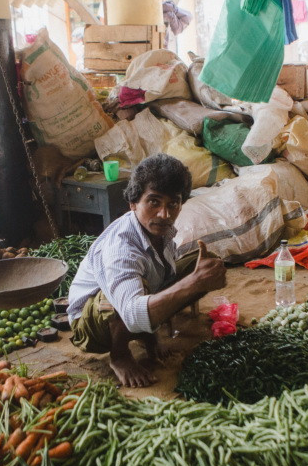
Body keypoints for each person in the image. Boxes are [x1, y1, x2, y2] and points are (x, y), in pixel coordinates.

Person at [67, 154, 227, 387]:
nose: (164, 214)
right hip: (91, 325)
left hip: (131, 303)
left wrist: (196, 277)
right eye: (154, 202)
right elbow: (130, 312)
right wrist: (194, 283)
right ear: (133, 203)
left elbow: (164, 278)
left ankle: (147, 335)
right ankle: (119, 356)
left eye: (173, 204)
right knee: (138, 290)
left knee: (201, 264)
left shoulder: (160, 231)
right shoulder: (120, 247)